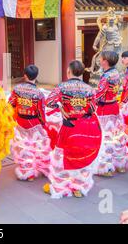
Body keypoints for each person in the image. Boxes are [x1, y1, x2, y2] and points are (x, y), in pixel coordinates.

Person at [44, 60, 102, 198]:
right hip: (84, 126)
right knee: (81, 154)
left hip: (69, 126)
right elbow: (93, 108)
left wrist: (61, 107)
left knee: (62, 156)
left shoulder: (62, 87)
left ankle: (61, 185)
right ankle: (78, 187)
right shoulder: (89, 89)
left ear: (68, 71)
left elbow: (49, 102)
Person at [9, 65, 51, 181]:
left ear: (25, 75)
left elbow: (10, 104)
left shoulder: (17, 89)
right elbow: (41, 112)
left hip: (20, 122)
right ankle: (38, 169)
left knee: (23, 148)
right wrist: (43, 124)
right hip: (34, 124)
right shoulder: (39, 93)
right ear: (36, 76)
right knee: (36, 147)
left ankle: (26, 171)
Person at [95, 51, 128, 176]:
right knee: (116, 134)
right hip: (114, 105)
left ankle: (106, 167)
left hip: (105, 109)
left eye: (101, 58)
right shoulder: (116, 73)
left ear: (105, 61)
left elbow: (99, 94)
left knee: (105, 137)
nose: (99, 60)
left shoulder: (106, 76)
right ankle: (119, 164)